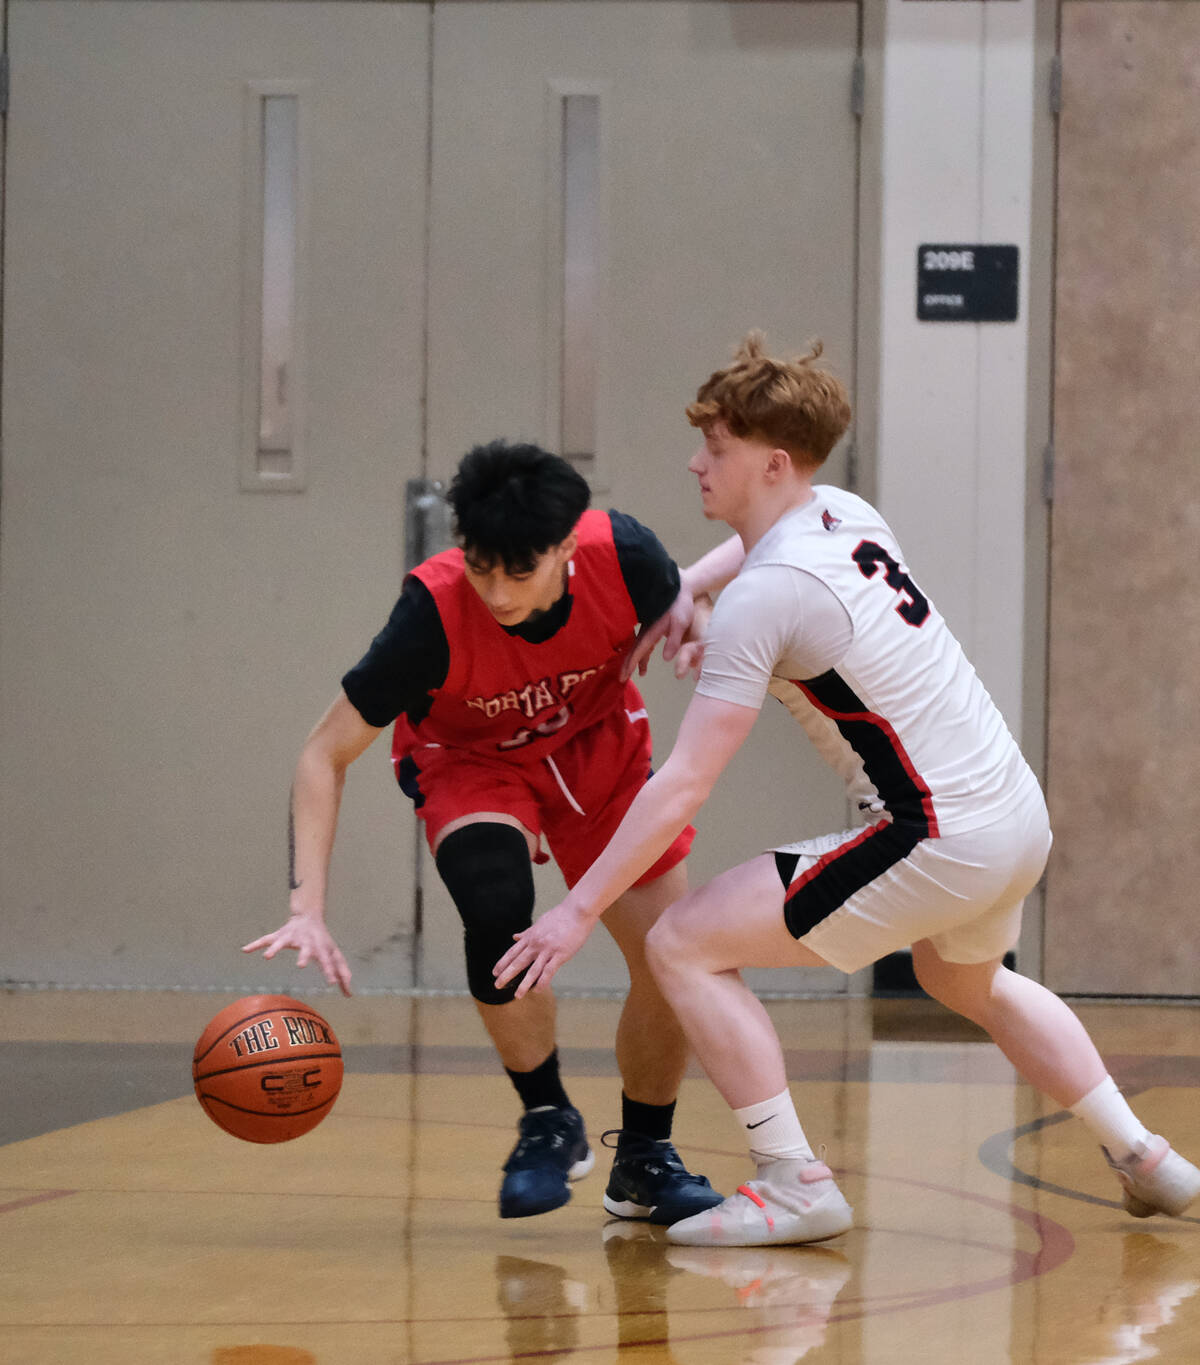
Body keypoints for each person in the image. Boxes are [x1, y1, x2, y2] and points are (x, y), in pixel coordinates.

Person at [495, 333, 1200, 1246]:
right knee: (964, 975)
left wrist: (576, 911)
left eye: (716, 448)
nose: (696, 462)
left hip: (935, 834)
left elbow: (685, 783)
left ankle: (794, 1183)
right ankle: (1144, 1155)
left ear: (772, 462)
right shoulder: (843, 512)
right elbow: (751, 559)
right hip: (1015, 815)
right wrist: (688, 590)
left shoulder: (768, 596)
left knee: (680, 943)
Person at [246, 440, 724, 1225]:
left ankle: (643, 1156)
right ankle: (548, 1118)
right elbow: (322, 752)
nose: (497, 591)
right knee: (493, 900)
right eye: (481, 567)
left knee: (670, 954)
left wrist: (695, 615)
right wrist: (307, 904)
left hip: (595, 747)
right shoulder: (429, 616)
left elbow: (687, 593)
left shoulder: (627, 554)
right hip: (473, 759)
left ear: (569, 545)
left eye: (519, 571)